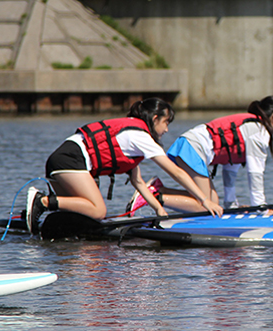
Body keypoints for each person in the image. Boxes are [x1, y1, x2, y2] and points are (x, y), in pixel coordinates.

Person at [26, 97, 223, 234]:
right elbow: (177, 173)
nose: (167, 129)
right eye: (166, 123)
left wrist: (158, 210)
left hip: (62, 160)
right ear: (155, 119)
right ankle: (43, 201)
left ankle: (47, 214)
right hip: (70, 160)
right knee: (98, 211)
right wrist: (205, 200)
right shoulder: (141, 137)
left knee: (81, 217)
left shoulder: (133, 133)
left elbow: (138, 182)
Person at [137, 96, 273, 215]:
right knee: (205, 207)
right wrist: (261, 210)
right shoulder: (259, 133)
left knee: (214, 202)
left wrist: (231, 206)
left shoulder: (251, 128)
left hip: (188, 144)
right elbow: (255, 174)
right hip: (193, 148)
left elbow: (230, 171)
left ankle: (158, 190)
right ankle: (151, 197)